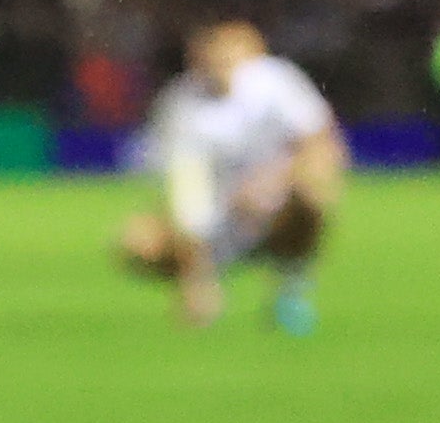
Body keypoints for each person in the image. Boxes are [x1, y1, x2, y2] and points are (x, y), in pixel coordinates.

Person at [117, 20, 343, 332]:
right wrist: (196, 279)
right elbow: (183, 193)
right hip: (215, 218)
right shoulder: (180, 104)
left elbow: (321, 145)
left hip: (271, 206)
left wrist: (272, 182)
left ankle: (290, 288)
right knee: (135, 241)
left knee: (313, 194)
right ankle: (205, 280)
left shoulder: (276, 84)